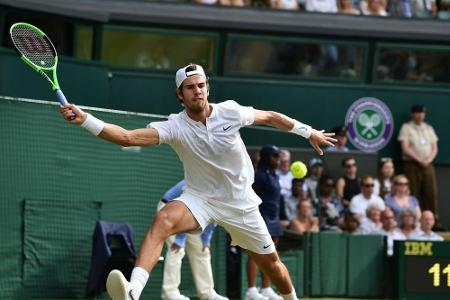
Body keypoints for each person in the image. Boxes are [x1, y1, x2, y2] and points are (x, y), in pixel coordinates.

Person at [60, 63, 336, 300]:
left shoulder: (230, 111)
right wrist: (86, 120)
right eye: (190, 87)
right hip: (200, 199)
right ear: (180, 94)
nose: (198, 91)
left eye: (201, 85)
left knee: (273, 267)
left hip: (241, 203)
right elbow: (127, 137)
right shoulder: (175, 126)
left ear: (208, 88)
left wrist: (308, 132)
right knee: (164, 219)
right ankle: (134, 290)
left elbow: (271, 118)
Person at [158, 180, 228, 300]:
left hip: (192, 214)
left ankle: (207, 293)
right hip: (170, 208)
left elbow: (214, 216)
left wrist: (205, 240)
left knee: (202, 250)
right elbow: (186, 209)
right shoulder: (203, 182)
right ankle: (169, 293)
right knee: (177, 249)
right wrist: (180, 240)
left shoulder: (225, 190)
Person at [246, 144, 283, 300]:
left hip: (273, 218)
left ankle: (266, 288)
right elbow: (251, 195)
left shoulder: (274, 175)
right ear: (268, 158)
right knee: (256, 254)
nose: (278, 160)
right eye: (275, 157)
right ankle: (251, 290)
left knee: (271, 254)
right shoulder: (259, 175)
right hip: (261, 218)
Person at [398, 104, 439, 220]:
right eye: (418, 113)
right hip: (412, 164)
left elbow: (435, 147)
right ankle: (413, 220)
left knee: (431, 193)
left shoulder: (428, 128)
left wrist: (428, 160)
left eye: (423, 113)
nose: (421, 115)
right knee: (413, 193)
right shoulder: (406, 127)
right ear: (413, 114)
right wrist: (420, 160)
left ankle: (433, 221)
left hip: (428, 164)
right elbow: (405, 148)